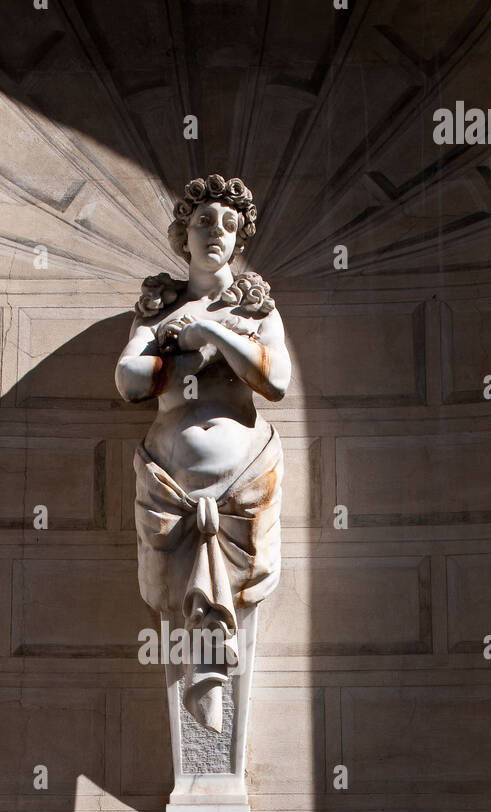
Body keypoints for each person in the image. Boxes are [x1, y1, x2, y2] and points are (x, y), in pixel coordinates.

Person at [115, 174, 291, 734]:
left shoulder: (258, 309)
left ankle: (214, 748)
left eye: (230, 225)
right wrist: (170, 334)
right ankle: (199, 753)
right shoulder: (156, 312)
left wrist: (216, 327)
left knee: (230, 612)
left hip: (244, 493)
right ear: (182, 235)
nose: (218, 232)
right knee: (177, 615)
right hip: (170, 498)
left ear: (240, 241)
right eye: (204, 221)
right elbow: (129, 381)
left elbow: (276, 381)